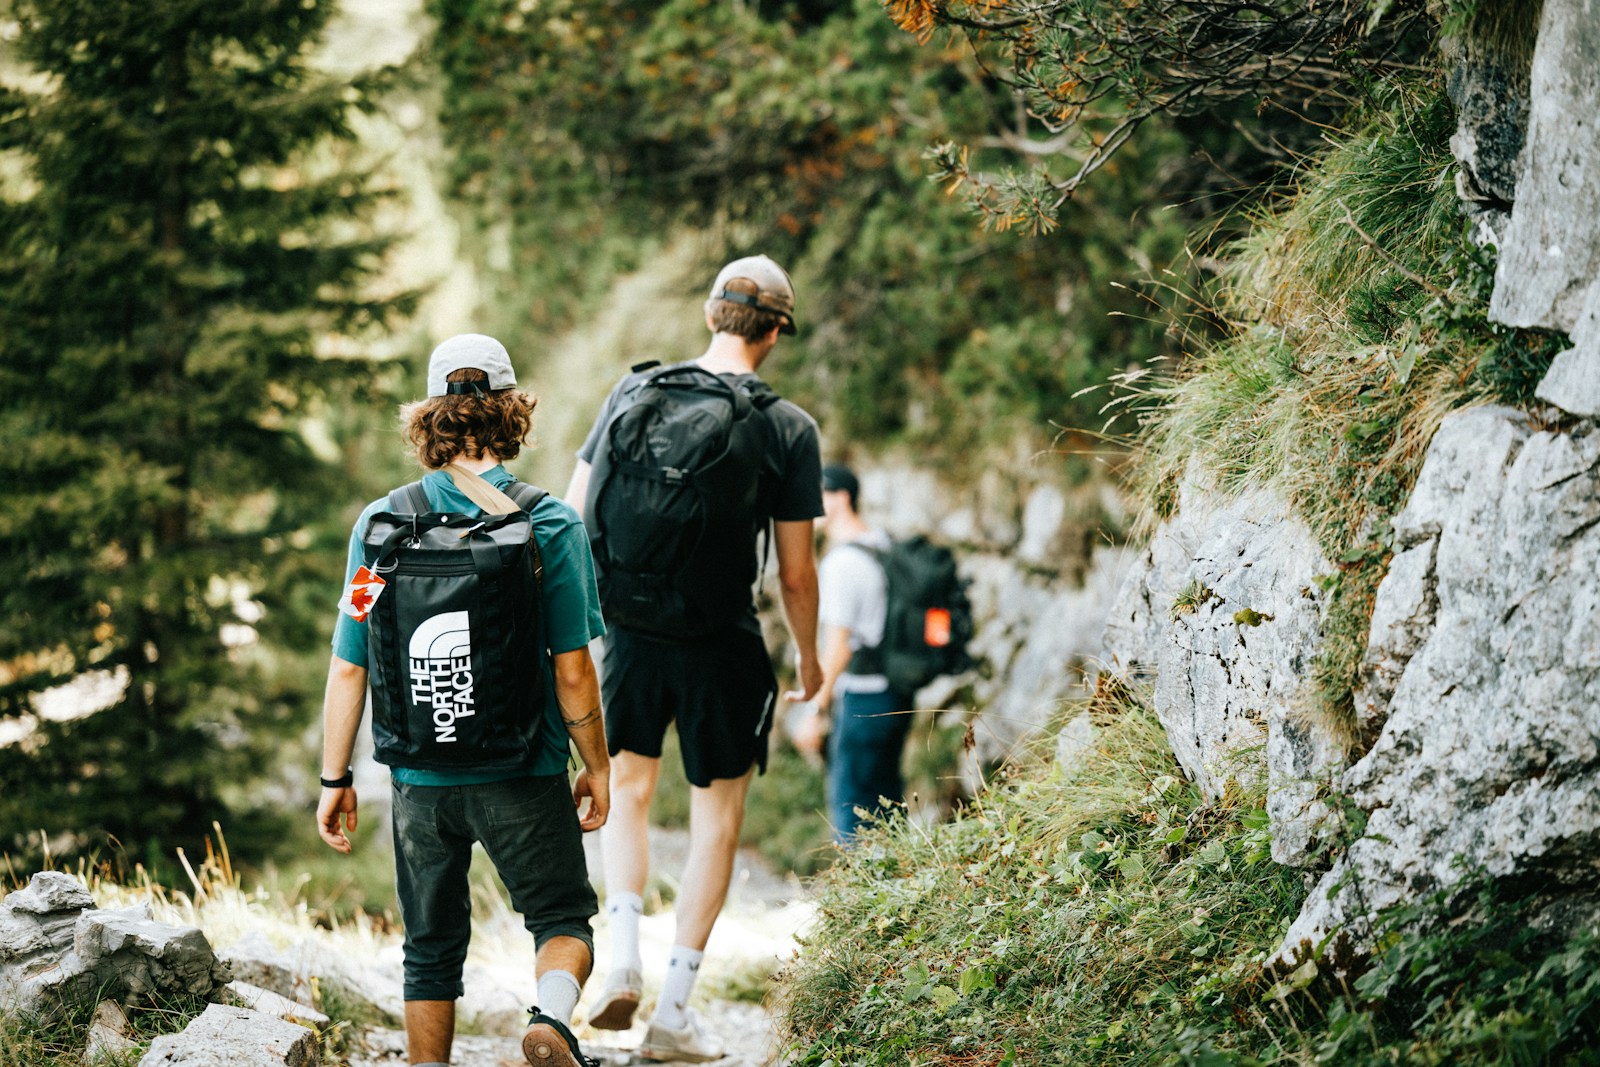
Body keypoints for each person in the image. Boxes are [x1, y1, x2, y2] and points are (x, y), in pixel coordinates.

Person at [316, 334, 611, 1067]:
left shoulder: (380, 526)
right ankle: (549, 1017)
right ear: (512, 410)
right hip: (522, 767)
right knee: (561, 918)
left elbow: (350, 664)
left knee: (430, 950)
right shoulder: (549, 524)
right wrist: (597, 763)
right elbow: (573, 669)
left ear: (430, 416)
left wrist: (336, 779)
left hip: (419, 780)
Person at [565, 255, 823, 1063]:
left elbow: (573, 518)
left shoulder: (630, 391)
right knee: (717, 817)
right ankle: (674, 1012)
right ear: (777, 330)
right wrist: (808, 661)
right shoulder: (786, 426)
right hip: (722, 642)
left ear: (712, 314)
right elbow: (794, 571)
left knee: (630, 792)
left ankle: (623, 957)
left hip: (630, 631)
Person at [798, 463, 916, 842]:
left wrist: (815, 709)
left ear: (841, 498)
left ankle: (858, 893)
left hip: (864, 699)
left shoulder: (842, 562)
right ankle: (898, 892)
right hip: (897, 690)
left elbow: (838, 648)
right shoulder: (882, 543)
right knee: (887, 805)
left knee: (852, 809)